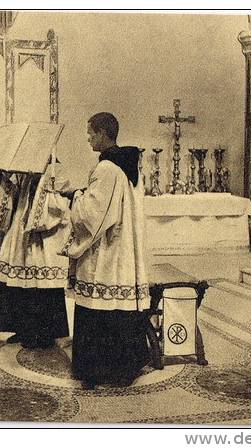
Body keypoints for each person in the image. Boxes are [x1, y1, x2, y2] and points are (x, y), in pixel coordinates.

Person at [64, 112, 150, 389]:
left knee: (100, 305)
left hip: (107, 252)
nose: (88, 137)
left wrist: (75, 196)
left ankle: (96, 371)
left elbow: (91, 216)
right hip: (126, 250)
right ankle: (124, 369)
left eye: (90, 132)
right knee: (119, 308)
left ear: (102, 133)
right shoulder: (131, 165)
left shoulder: (106, 169)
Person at [0, 148, 71, 349]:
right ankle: (22, 328)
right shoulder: (24, 169)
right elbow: (14, 197)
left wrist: (38, 182)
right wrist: (4, 179)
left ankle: (45, 332)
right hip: (21, 229)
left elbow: (60, 200)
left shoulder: (55, 168)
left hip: (44, 236)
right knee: (19, 279)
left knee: (41, 283)